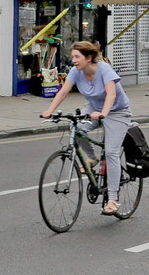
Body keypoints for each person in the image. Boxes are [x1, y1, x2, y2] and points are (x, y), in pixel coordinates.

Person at [40, 39, 132, 215]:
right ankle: (91, 158)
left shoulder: (104, 68)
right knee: (77, 128)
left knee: (112, 152)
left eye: (77, 56)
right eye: (72, 56)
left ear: (89, 57)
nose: (73, 60)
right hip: (93, 107)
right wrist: (49, 111)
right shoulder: (76, 71)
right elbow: (63, 91)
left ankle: (113, 199)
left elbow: (111, 94)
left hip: (117, 111)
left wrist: (104, 113)